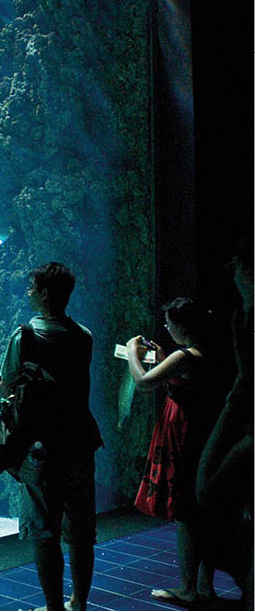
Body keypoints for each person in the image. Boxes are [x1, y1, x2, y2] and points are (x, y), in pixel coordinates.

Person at [0, 262, 103, 612]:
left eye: (31, 287)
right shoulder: (84, 335)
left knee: (45, 531)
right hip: (80, 443)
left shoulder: (26, 336)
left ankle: (53, 608)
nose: (27, 292)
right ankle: (80, 602)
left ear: (44, 293)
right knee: (81, 531)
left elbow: (6, 385)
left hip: (42, 449)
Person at [127, 297, 226, 606]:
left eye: (169, 324)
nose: (167, 329)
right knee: (203, 513)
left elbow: (143, 382)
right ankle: (205, 586)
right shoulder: (210, 350)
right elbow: (185, 381)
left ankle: (187, 588)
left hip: (184, 436)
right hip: (204, 434)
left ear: (182, 327)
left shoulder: (184, 356)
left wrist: (132, 352)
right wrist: (162, 359)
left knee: (187, 516)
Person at [196, 238, 253, 605]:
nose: (231, 275)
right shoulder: (241, 316)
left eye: (234, 267)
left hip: (244, 416)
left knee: (210, 487)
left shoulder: (244, 317)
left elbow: (245, 379)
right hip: (244, 417)